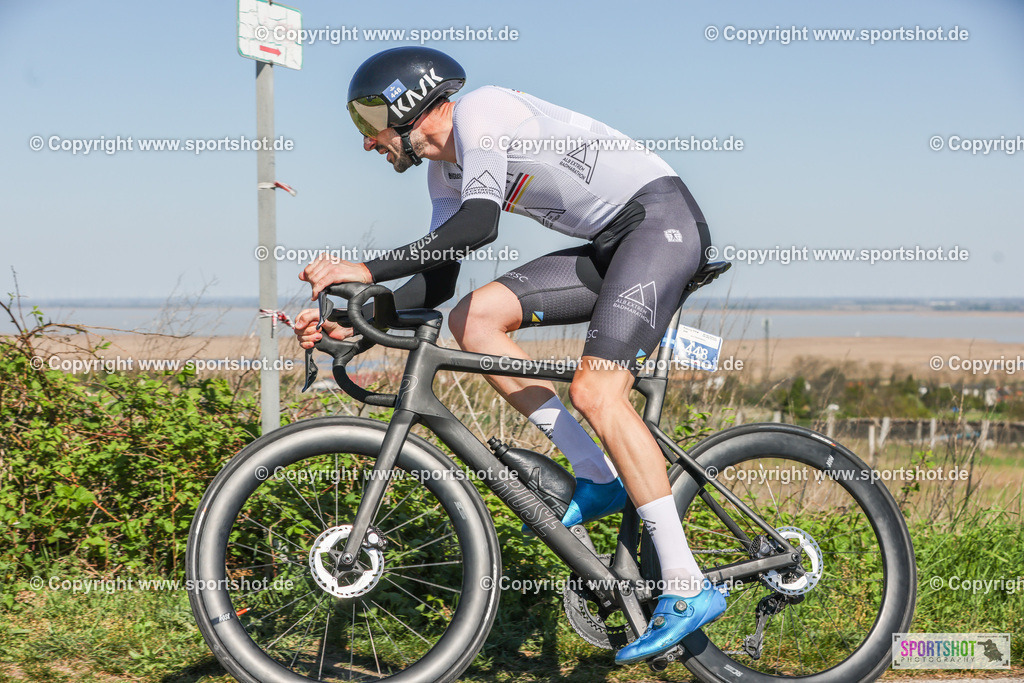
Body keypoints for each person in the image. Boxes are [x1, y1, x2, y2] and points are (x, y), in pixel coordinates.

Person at [293, 46, 724, 664]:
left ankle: (687, 586)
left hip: (659, 225)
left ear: (410, 102)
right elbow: (438, 283)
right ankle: (598, 477)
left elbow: (478, 227)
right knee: (473, 318)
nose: (367, 140)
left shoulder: (483, 112)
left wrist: (363, 266)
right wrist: (354, 321)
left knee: (597, 392)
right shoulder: (440, 174)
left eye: (370, 119)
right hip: (610, 247)